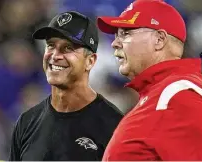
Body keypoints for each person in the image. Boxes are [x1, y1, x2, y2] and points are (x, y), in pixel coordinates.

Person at [97, 0, 202, 161]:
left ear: (159, 40)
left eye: (126, 33)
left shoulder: (178, 94)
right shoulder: (161, 94)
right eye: (116, 35)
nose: (115, 43)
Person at [9, 11, 123, 161]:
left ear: (90, 61)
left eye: (68, 48)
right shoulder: (27, 122)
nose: (55, 55)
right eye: (50, 45)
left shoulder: (114, 125)